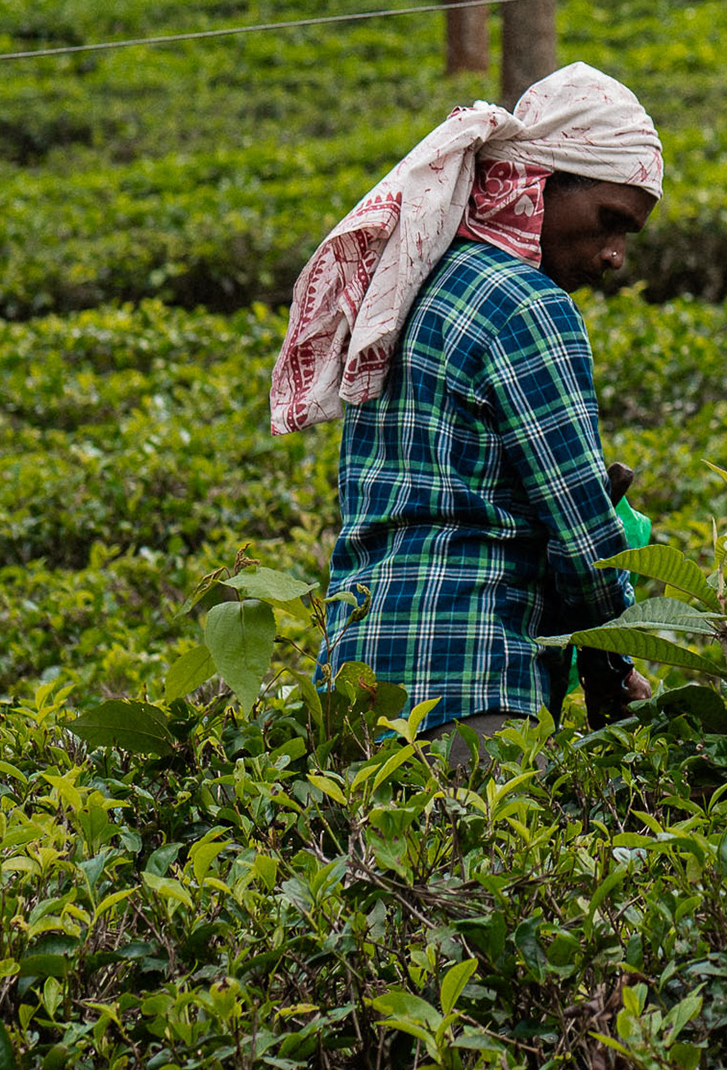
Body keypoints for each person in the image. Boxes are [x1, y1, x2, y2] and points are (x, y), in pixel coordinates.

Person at [269, 62, 662, 748]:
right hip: (472, 680)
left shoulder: (406, 286)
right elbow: (583, 542)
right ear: (540, 184)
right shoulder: (529, 306)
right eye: (608, 221)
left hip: (355, 685)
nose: (614, 255)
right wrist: (612, 664)